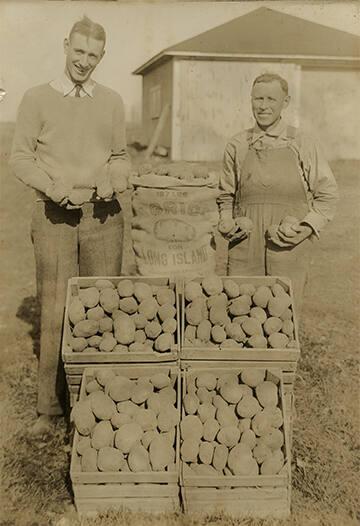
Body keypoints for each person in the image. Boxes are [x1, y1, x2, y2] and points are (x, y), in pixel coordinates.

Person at [10, 16, 130, 435]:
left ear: (102, 57)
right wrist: (56, 188)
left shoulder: (112, 101)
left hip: (103, 216)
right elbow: (20, 158)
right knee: (56, 307)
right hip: (53, 216)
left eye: (92, 55)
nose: (84, 61)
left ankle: (99, 402)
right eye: (78, 51)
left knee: (103, 308)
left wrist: (113, 179)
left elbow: (119, 156)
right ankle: (50, 407)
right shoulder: (36, 98)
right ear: (65, 47)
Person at [217, 73, 338, 312]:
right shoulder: (237, 144)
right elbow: (225, 195)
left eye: (271, 99)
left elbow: (327, 194)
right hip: (245, 246)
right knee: (241, 315)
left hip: (287, 245)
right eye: (257, 99)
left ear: (286, 101)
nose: (263, 106)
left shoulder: (303, 142)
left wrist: (305, 228)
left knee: (284, 318)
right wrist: (227, 222)